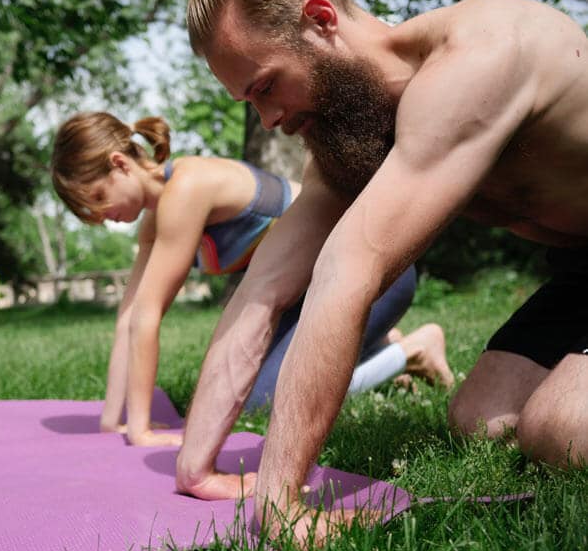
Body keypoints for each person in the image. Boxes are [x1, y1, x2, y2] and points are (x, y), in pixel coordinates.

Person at [175, 0, 588, 549]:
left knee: (559, 432)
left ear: (320, 20)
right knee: (480, 422)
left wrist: (279, 504)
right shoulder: (351, 135)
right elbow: (263, 289)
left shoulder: (482, 53)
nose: (269, 119)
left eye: (266, 85)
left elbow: (348, 273)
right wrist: (197, 466)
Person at [50, 111, 453, 447]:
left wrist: (139, 430)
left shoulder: (187, 187)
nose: (101, 218)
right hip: (310, 297)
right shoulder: (156, 218)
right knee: (238, 393)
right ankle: (381, 348)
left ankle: (414, 350)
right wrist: (110, 420)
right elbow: (129, 316)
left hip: (372, 273)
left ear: (121, 164)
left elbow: (150, 313)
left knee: (265, 401)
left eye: (99, 198)